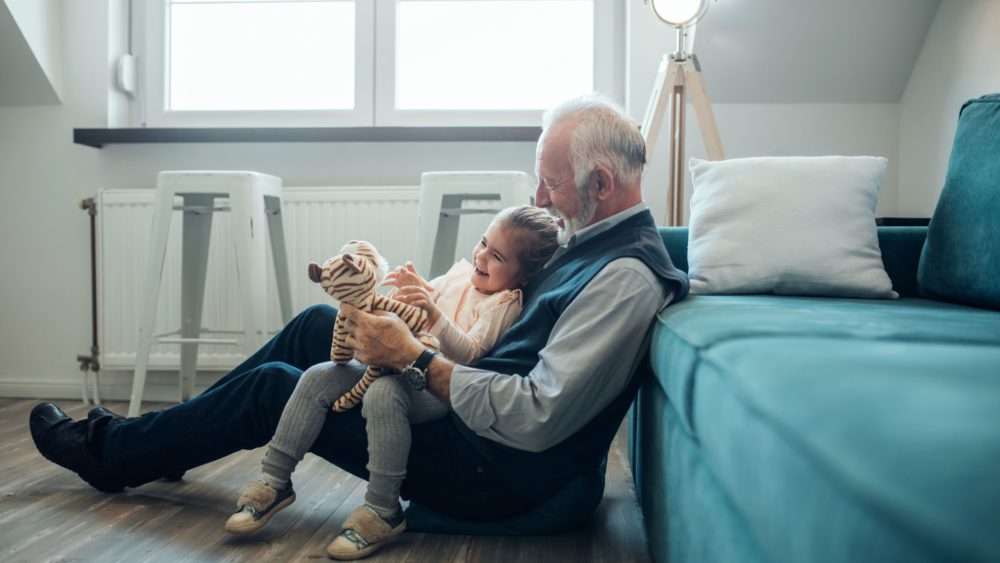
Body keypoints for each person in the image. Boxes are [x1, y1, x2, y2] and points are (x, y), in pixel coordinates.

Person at [29, 93, 689, 559]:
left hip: (493, 469)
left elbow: (538, 415)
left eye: (549, 184)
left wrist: (416, 359)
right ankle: (159, 444)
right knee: (319, 321)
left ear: (600, 182)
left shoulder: (624, 277)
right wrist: (421, 316)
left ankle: (109, 455)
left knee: (278, 387)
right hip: (467, 415)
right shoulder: (591, 237)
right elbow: (500, 326)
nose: (539, 198)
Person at [224, 205, 560, 559]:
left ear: (523, 276)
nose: (481, 257)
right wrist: (409, 293)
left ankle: (383, 509)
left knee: (383, 395)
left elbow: (470, 353)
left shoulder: (504, 303)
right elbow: (415, 308)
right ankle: (274, 481)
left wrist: (433, 313)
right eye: (482, 243)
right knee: (316, 377)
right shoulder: (462, 274)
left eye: (497, 256)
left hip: (436, 386)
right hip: (394, 363)